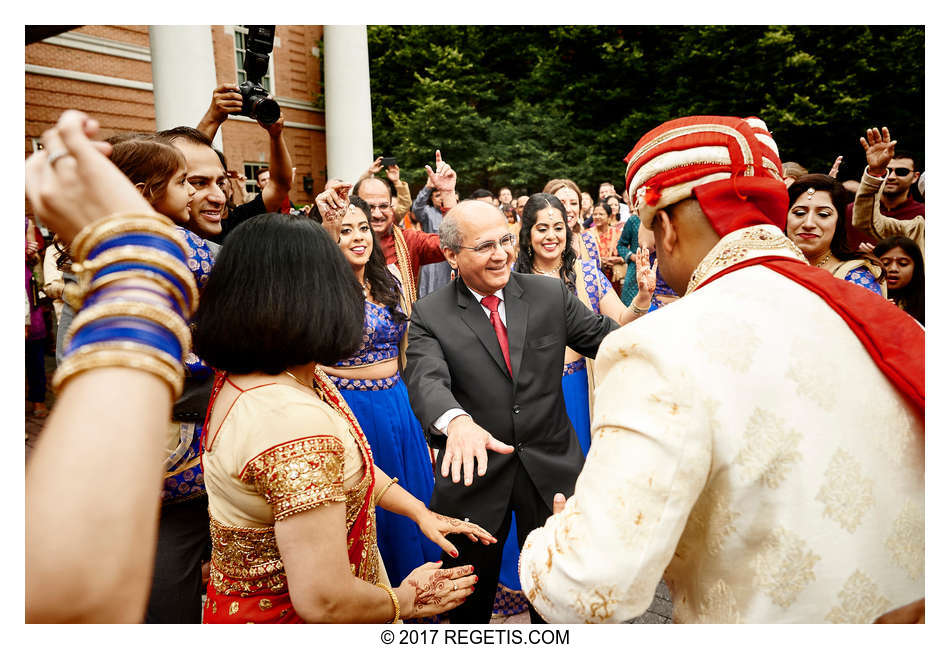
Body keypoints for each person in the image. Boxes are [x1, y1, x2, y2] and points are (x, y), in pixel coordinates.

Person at [520, 115, 924, 623]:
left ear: (665, 226)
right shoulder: (882, 317)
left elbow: (587, 587)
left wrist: (553, 540)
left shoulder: (660, 347)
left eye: (646, 230)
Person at [193, 211, 492, 623]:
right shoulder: (289, 420)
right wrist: (404, 602)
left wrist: (418, 510)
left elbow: (344, 472)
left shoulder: (274, 375)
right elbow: (324, 600)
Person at [403, 200, 620, 624]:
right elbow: (426, 379)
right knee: (466, 604)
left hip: (552, 473)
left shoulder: (550, 294)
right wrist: (457, 422)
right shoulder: (430, 314)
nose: (501, 253)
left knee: (558, 601)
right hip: (474, 476)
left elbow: (607, 340)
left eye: (505, 239)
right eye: (484, 246)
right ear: (451, 254)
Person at [26, 109, 200, 622]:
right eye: (188, 181)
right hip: (149, 468)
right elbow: (74, 601)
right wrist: (138, 260)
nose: (198, 193)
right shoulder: (96, 284)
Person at [318, 196, 443, 586]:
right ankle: (382, 597)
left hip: (398, 401)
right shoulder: (323, 291)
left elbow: (408, 348)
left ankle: (424, 590)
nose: (358, 237)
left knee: (413, 491)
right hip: (351, 406)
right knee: (372, 501)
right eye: (345, 231)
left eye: (362, 228)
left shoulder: (387, 281)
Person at [341, 150, 457, 299]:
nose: (377, 214)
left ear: (392, 207)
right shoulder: (339, 242)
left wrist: (447, 193)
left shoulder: (409, 241)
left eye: (383, 206)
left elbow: (452, 244)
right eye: (369, 207)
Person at [190, 83, 293, 242]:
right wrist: (212, 117)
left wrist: (276, 135)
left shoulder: (237, 224)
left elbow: (279, 185)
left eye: (220, 182)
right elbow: (186, 163)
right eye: (200, 183)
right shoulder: (166, 230)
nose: (217, 196)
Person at [786, 174, 886, 296]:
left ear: (838, 222)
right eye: (799, 213)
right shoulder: (767, 267)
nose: (809, 224)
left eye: (823, 214)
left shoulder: (855, 276)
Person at [852, 127, 925, 259]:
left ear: (915, 177)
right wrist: (874, 173)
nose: (891, 176)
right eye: (886, 170)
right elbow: (866, 221)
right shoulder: (916, 226)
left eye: (901, 171)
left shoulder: (923, 213)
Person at [411, 163, 454, 298]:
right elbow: (416, 209)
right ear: (431, 198)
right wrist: (428, 187)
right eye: (436, 196)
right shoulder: (428, 213)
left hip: (448, 261)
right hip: (431, 262)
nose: (440, 198)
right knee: (428, 294)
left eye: (441, 195)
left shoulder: (453, 212)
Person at [543, 178, 601, 269]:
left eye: (574, 203)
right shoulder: (538, 241)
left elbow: (596, 277)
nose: (568, 209)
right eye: (561, 203)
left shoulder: (588, 240)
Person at [873, 236, 924, 325]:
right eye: (885, 263)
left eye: (903, 263)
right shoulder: (865, 295)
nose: (893, 269)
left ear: (916, 268)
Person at [587, 200, 625, 293]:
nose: (597, 217)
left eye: (601, 214)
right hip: (593, 279)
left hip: (614, 279)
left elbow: (626, 254)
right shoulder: (586, 234)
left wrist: (617, 260)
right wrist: (600, 261)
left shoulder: (618, 233)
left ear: (609, 216)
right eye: (595, 214)